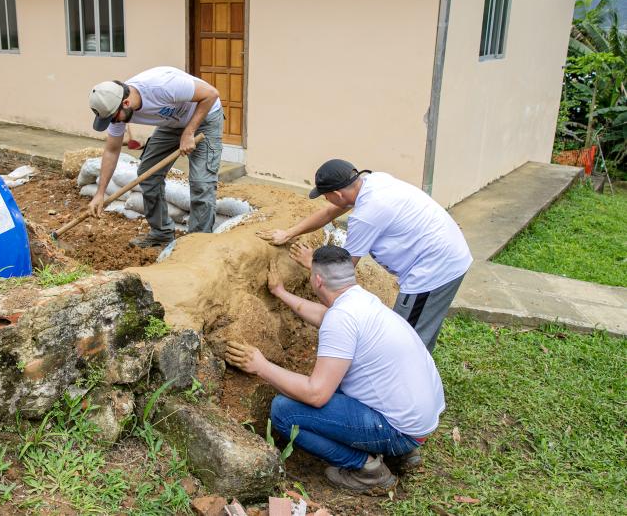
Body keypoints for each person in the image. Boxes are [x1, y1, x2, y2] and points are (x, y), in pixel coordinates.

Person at [225, 246, 445, 495]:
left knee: (284, 412)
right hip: (419, 420)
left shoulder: (341, 319)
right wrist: (280, 293)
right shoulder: (362, 301)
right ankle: (402, 452)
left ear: (317, 280)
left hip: (400, 430)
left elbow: (316, 394)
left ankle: (367, 469)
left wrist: (262, 367)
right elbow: (324, 315)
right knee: (333, 377)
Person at [257, 160, 472, 351]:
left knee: (404, 340)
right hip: (450, 254)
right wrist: (289, 233)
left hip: (433, 270)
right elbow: (330, 212)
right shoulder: (373, 182)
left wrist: (312, 263)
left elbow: (343, 273)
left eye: (326, 195)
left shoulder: (366, 216)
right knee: (421, 330)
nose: (326, 200)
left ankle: (399, 389)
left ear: (338, 194)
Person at [87, 66, 224, 248]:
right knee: (148, 174)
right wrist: (100, 193)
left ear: (126, 103)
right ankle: (161, 233)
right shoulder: (116, 108)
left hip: (204, 117)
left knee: (201, 182)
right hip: (171, 123)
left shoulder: (162, 87)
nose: (114, 122)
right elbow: (112, 150)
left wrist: (189, 132)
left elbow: (211, 94)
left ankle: (196, 246)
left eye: (113, 118)